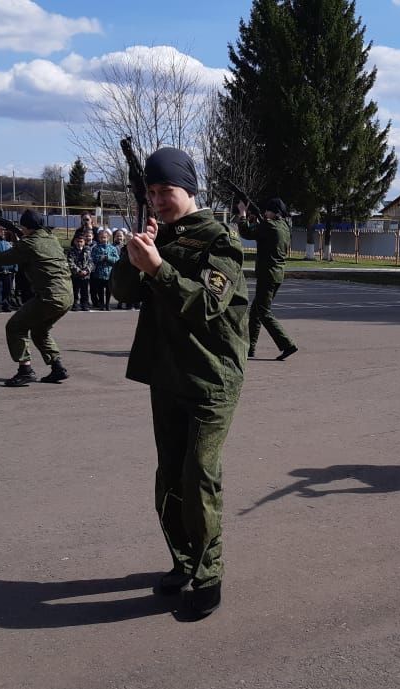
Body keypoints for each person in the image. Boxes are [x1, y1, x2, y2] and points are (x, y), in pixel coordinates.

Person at [110, 146, 248, 620]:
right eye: (151, 192)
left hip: (211, 378)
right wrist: (134, 257)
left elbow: (208, 306)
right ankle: (184, 561)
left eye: (165, 190)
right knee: (169, 477)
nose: (157, 200)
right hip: (166, 375)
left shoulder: (220, 241)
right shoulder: (158, 235)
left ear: (189, 188)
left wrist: (159, 269)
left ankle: (210, 575)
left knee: (199, 477)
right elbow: (122, 292)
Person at [0, 209, 72, 386]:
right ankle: (57, 367)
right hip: (66, 296)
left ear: (25, 227)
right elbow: (34, 251)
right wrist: (20, 238)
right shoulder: (50, 238)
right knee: (39, 331)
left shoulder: (29, 243)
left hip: (49, 297)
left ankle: (25, 371)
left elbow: (2, 259)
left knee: (15, 327)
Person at [236, 196, 295, 360]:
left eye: (267, 210)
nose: (265, 212)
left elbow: (246, 232)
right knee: (255, 312)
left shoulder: (269, 225)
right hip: (277, 274)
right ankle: (250, 348)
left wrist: (242, 214)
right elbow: (263, 235)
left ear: (273, 212)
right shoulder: (284, 227)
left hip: (267, 274)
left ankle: (287, 344)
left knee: (263, 312)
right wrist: (253, 221)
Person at [90, 227, 119, 310]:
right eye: (101, 237)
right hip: (99, 273)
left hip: (109, 273)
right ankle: (102, 304)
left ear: (108, 238)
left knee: (109, 290)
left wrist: (108, 258)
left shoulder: (113, 248)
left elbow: (117, 259)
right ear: (98, 238)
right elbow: (93, 258)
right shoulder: (96, 248)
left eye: (104, 237)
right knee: (100, 290)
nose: (103, 239)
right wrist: (100, 258)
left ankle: (107, 304)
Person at [66, 232, 92, 311]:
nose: (79, 243)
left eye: (81, 241)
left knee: (85, 291)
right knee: (75, 290)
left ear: (84, 242)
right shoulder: (71, 251)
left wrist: (87, 270)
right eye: (77, 241)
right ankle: (75, 304)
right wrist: (78, 271)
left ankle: (85, 304)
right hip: (76, 275)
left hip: (85, 275)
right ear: (74, 241)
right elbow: (70, 262)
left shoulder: (87, 250)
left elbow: (91, 262)